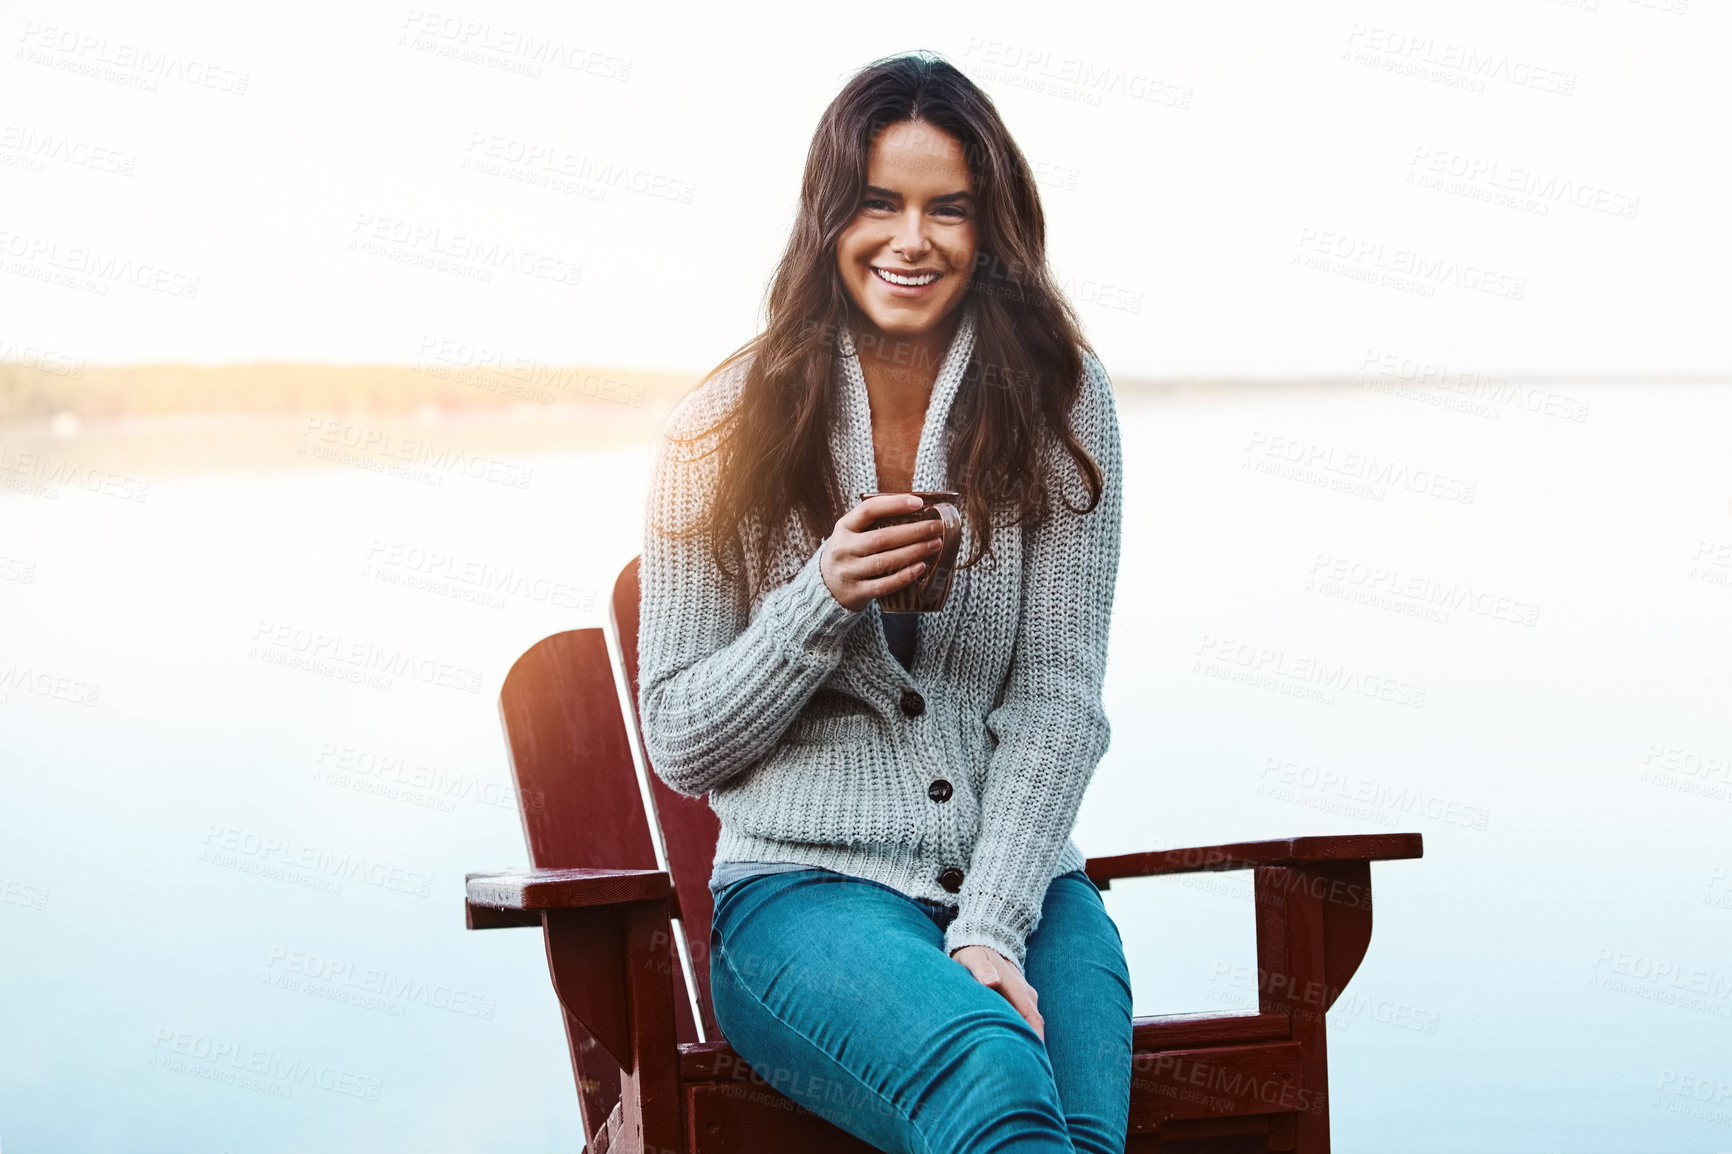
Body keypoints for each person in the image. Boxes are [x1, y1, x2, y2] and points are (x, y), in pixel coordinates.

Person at [637, 50, 1131, 1154]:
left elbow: (1058, 699)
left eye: (947, 209)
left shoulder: (1060, 402)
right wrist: (819, 597)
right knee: (1000, 1088)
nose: (912, 240)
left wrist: (992, 927)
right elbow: (681, 738)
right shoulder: (716, 428)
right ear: (829, 220)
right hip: (803, 897)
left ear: (989, 229)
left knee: (1073, 1133)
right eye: (880, 204)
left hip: (1026, 884)